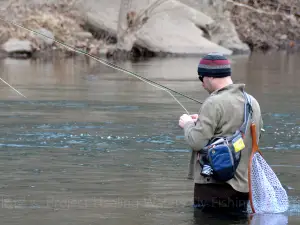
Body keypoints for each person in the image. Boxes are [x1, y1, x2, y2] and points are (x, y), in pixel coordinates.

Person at [178, 52, 263, 214]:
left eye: (201, 77)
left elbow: (196, 141)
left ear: (210, 76)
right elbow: (255, 137)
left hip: (214, 188)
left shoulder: (213, 102)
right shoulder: (252, 102)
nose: (202, 83)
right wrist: (201, 121)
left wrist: (188, 124)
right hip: (244, 188)